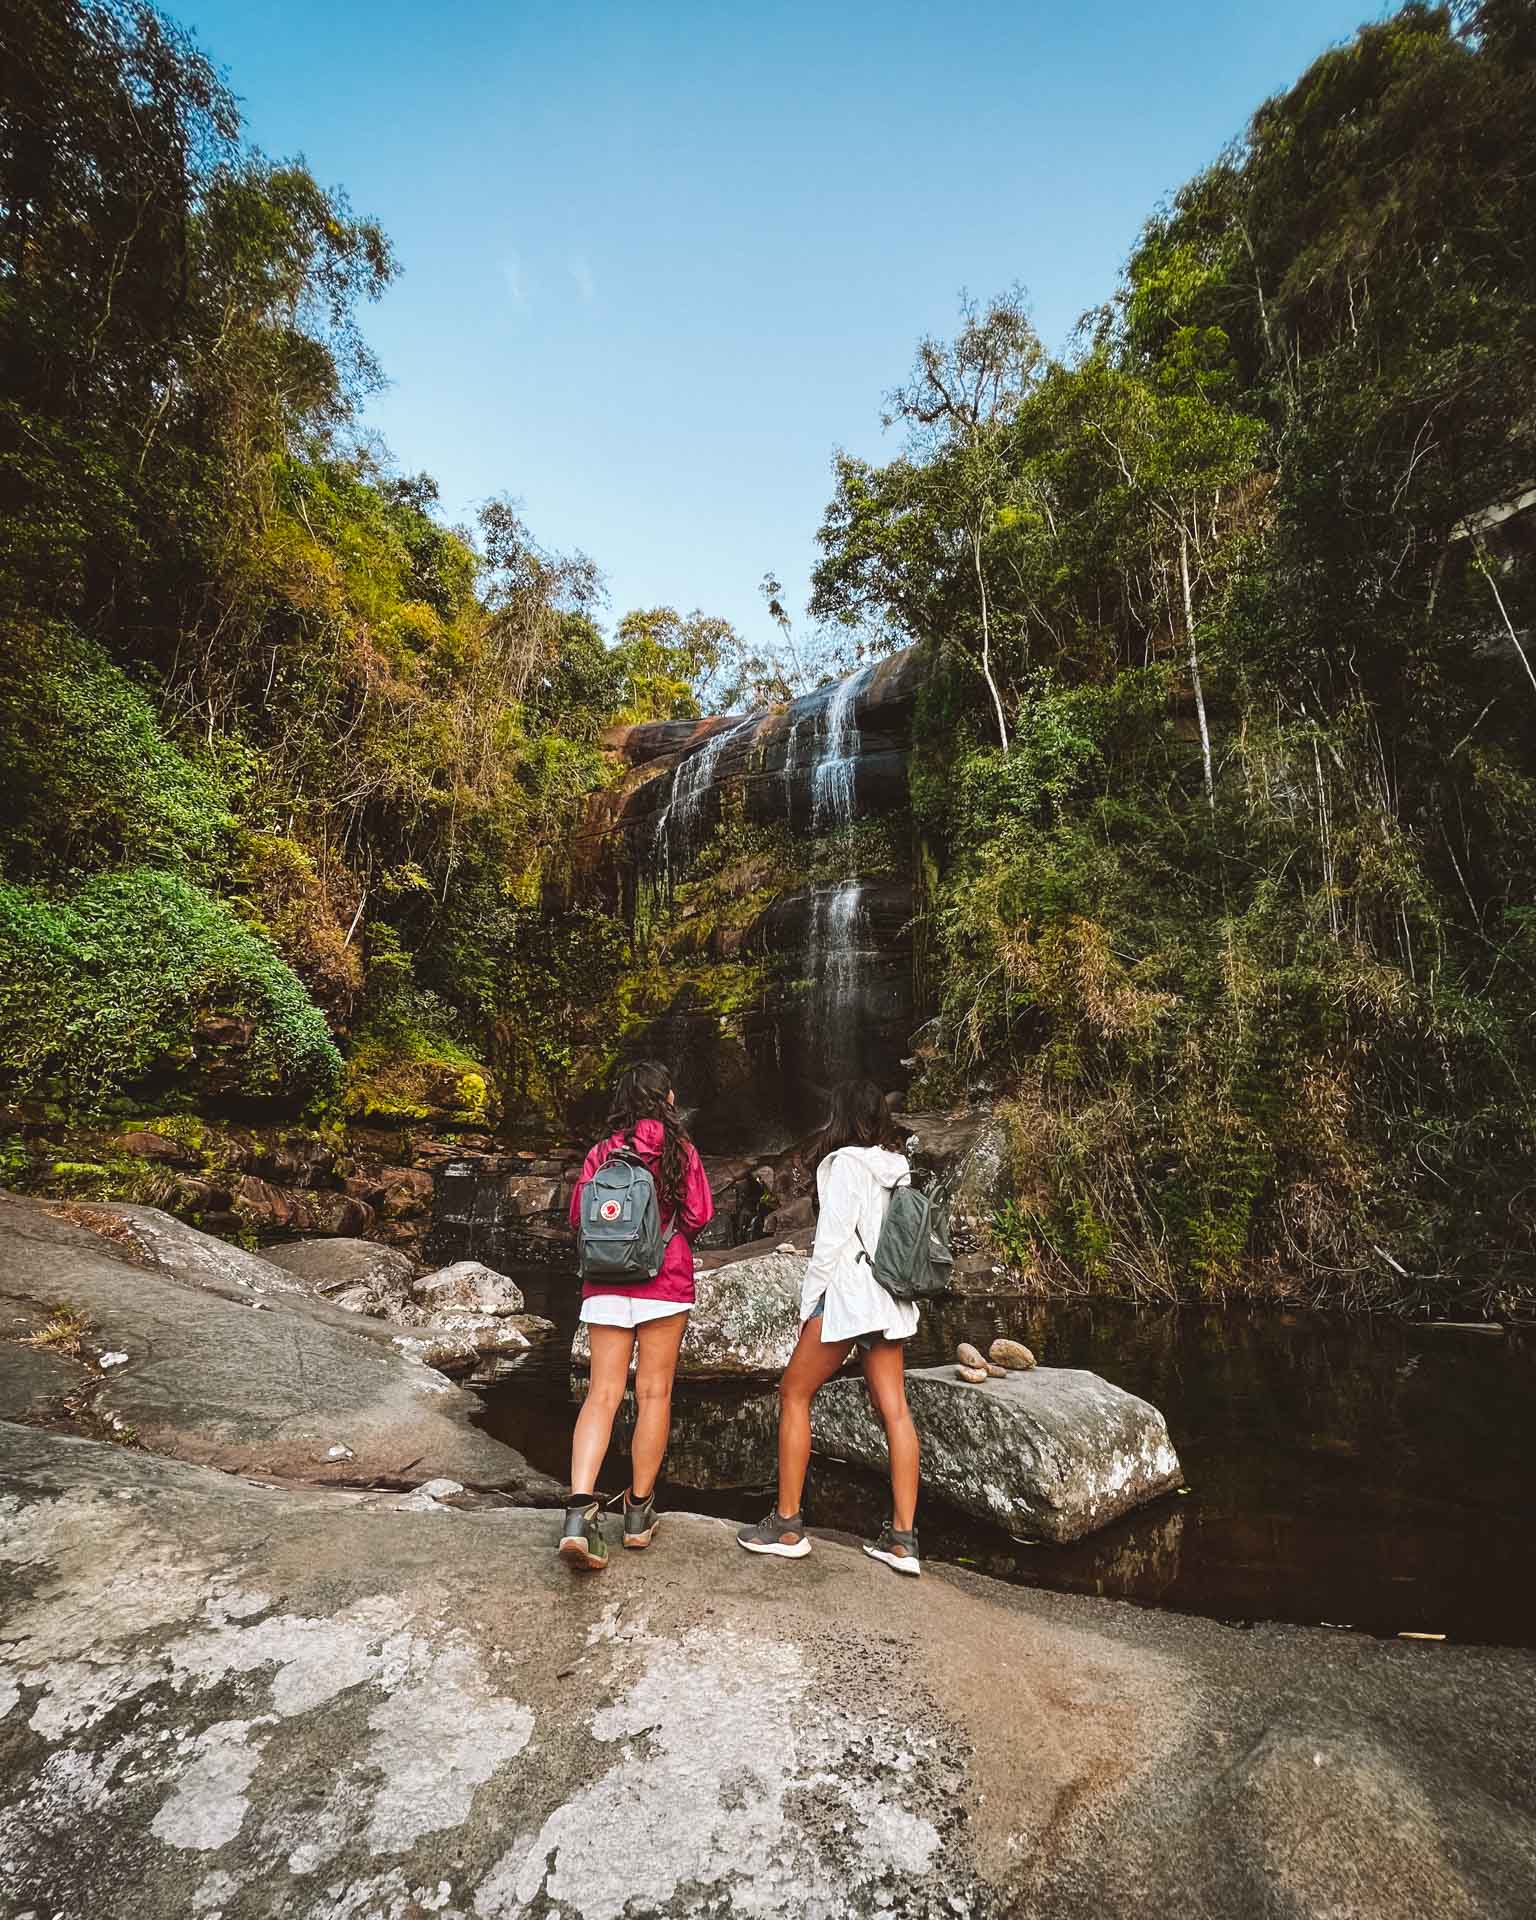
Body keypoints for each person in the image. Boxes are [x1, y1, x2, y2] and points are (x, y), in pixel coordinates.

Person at [737, 1079, 922, 1576]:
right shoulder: (897, 1167)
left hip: (845, 1298)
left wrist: (807, 1304)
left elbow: (831, 1242)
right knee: (896, 1412)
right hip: (888, 1299)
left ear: (839, 1117)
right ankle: (903, 1539)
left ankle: (788, 1524)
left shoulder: (841, 1166)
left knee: (794, 1394)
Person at [559, 1060, 714, 1570]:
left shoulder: (602, 1153)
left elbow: (577, 1216)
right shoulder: (679, 1150)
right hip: (664, 1283)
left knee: (601, 1396)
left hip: (605, 1282)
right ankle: (637, 1514)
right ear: (668, 1098)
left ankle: (580, 1513)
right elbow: (699, 1216)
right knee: (653, 1394)